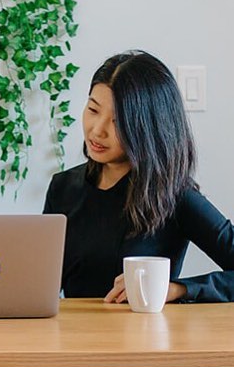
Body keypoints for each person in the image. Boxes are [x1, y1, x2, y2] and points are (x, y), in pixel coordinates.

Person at [43, 50, 234, 303]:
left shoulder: (175, 195)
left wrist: (177, 289)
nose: (97, 130)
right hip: (71, 335)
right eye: (93, 110)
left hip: (141, 338)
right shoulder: (63, 187)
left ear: (148, 128)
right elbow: (43, 282)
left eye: (117, 121)